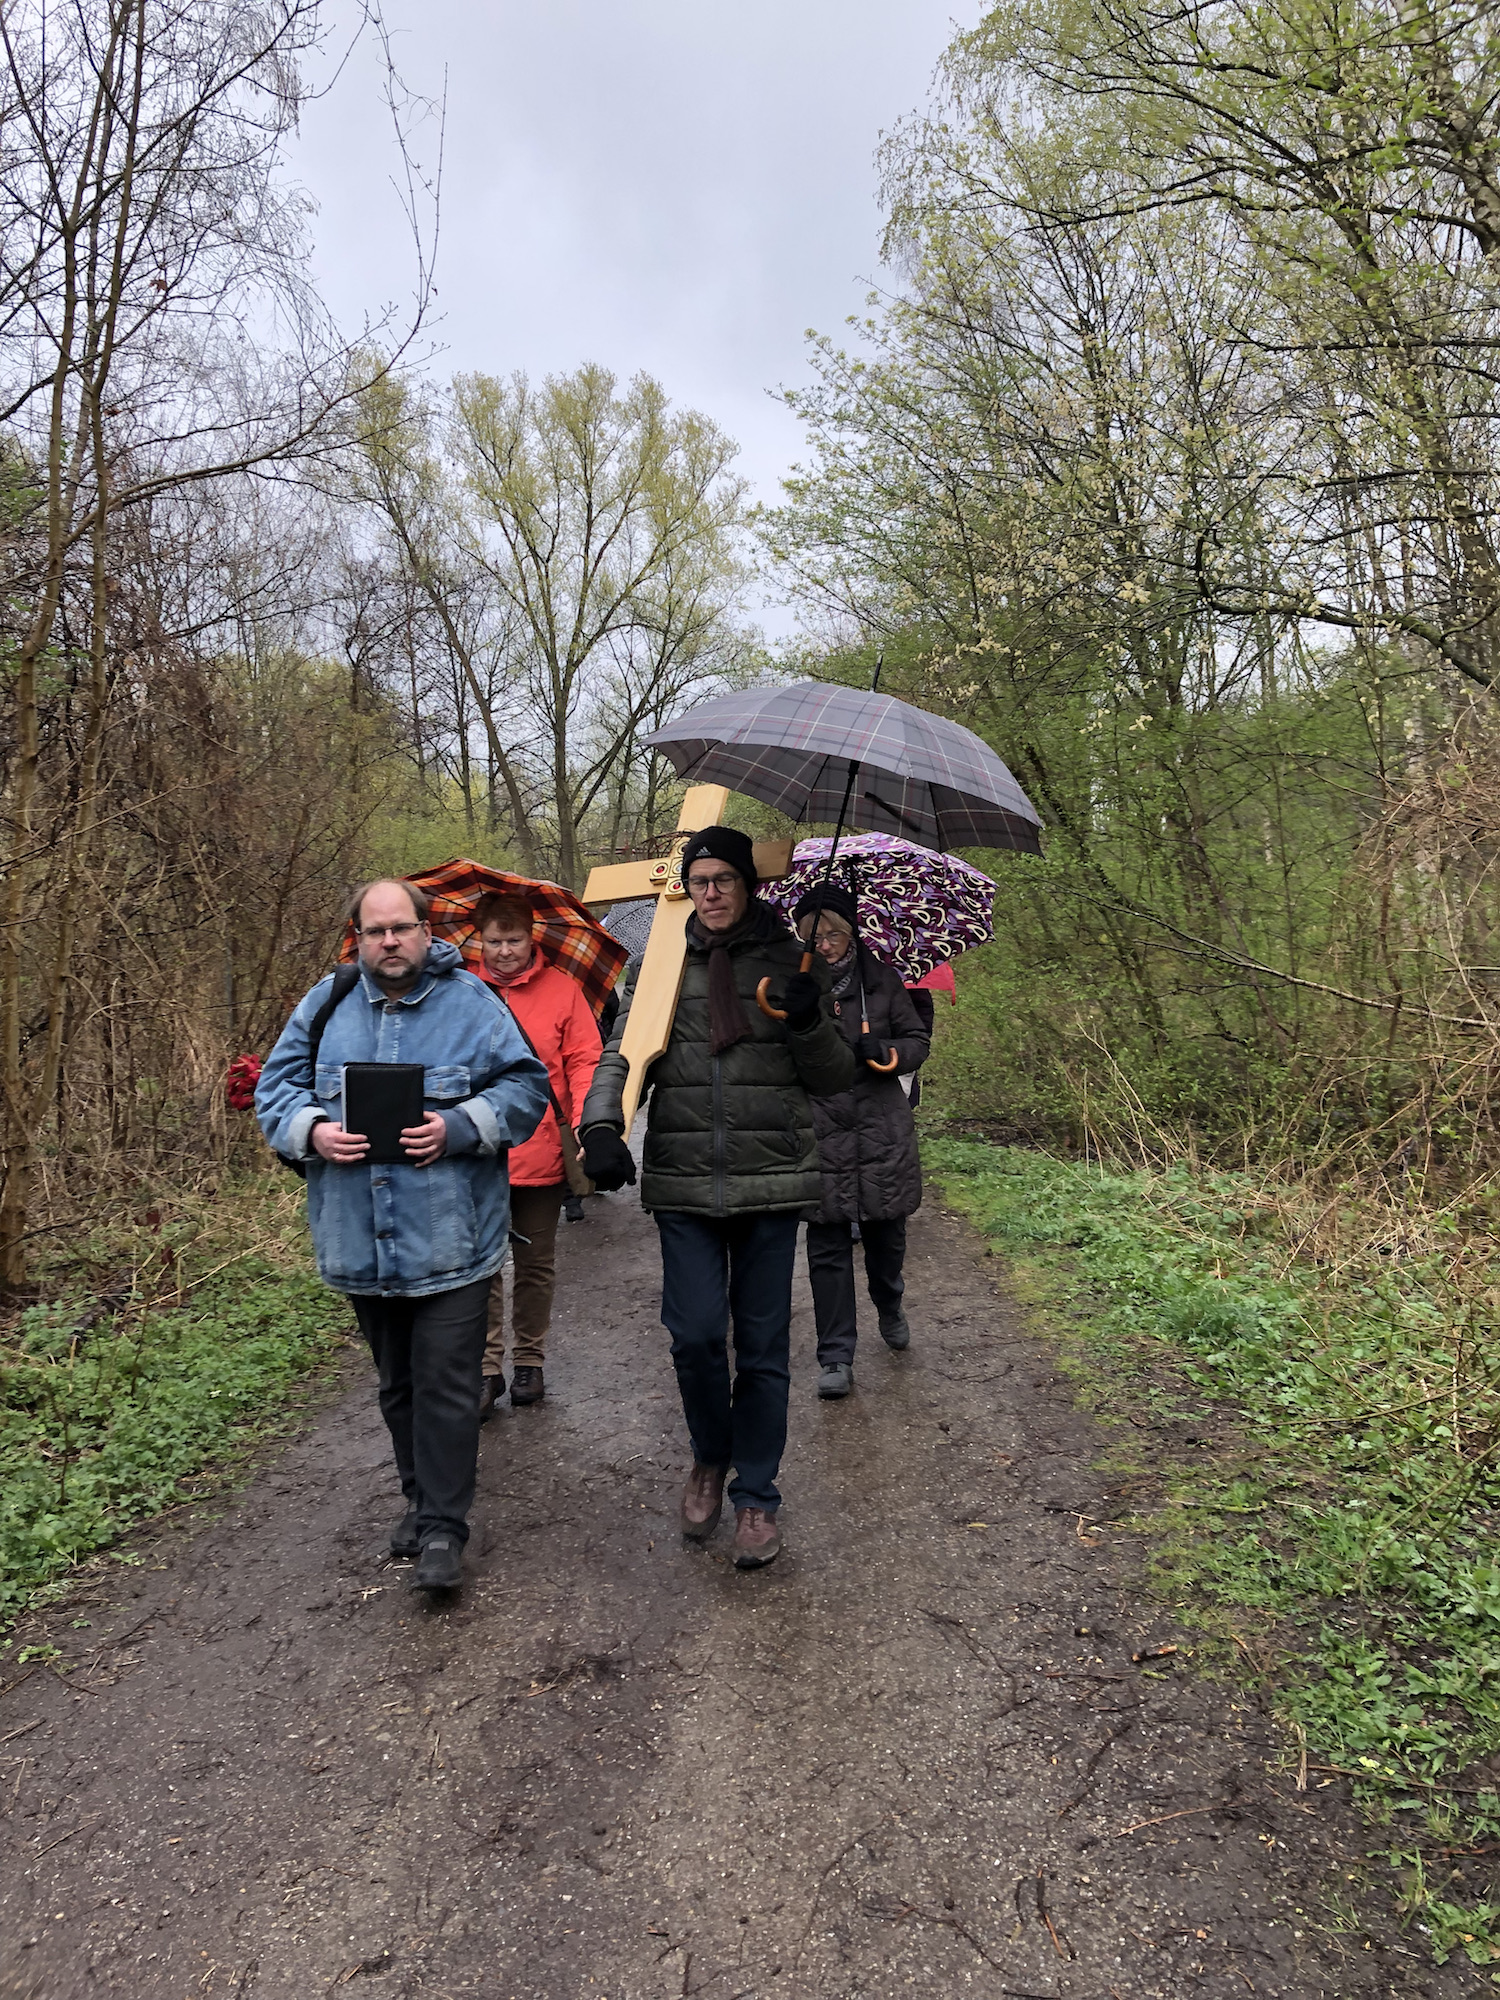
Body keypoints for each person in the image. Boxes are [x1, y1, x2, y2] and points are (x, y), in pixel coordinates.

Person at [255, 878, 550, 1593]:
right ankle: (421, 1503)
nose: (390, 941)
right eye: (375, 930)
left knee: (448, 1384)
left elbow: (526, 1087)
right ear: (357, 936)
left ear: (428, 930)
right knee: (399, 1386)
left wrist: (455, 1127)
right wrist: (312, 1131)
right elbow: (275, 1089)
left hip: (449, 1240)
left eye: (402, 928)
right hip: (359, 1239)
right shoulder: (324, 1004)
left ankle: (446, 1529)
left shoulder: (474, 1004)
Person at [578, 827, 856, 1569]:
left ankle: (757, 1498)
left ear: (748, 884)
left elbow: (832, 1077)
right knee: (697, 1336)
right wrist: (603, 1124)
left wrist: (805, 1018)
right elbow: (623, 1053)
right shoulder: (664, 964)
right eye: (699, 880)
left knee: (763, 1349)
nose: (710, 892)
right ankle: (709, 1455)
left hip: (772, 1181)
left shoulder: (792, 963)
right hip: (684, 1180)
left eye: (724, 879)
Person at [792, 884, 931, 1400]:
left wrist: (888, 1052)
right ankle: (835, 1354)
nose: (823, 943)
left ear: (851, 933)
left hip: (880, 1129)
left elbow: (918, 1041)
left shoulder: (883, 979)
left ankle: (889, 1303)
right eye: (813, 934)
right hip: (820, 1127)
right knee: (826, 1245)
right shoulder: (795, 983)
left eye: (832, 933)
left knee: (885, 1239)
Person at [471, 891, 602, 1412]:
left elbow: (584, 1060)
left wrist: (595, 1125)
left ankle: (529, 1360)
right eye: (494, 941)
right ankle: (484, 1367)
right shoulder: (459, 990)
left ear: (532, 938)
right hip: (475, 1151)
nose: (504, 951)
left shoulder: (562, 990)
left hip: (541, 1147)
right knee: (480, 1265)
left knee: (535, 1263)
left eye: (514, 940)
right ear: (480, 941)